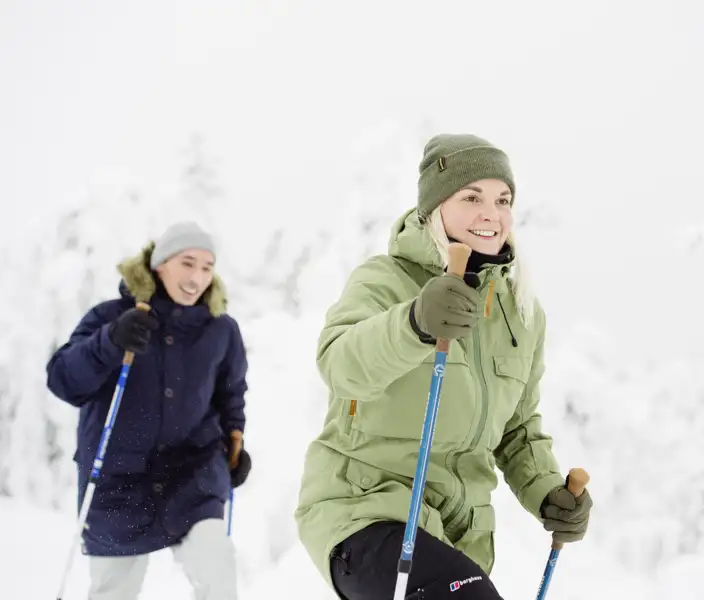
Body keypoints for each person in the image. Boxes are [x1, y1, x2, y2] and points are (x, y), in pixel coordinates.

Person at [294, 134, 593, 599]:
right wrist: (414, 322)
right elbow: (339, 363)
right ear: (435, 206)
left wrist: (547, 491)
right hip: (366, 512)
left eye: (502, 199)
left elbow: (517, 428)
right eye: (471, 197)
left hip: (460, 539)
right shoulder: (385, 280)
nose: (490, 213)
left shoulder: (520, 311)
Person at [46, 221, 251, 600]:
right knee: (114, 591)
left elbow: (231, 394)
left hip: (191, 474)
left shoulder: (221, 330)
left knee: (218, 569)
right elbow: (63, 380)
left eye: (207, 267)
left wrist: (235, 440)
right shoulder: (112, 317)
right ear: (159, 265)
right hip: (117, 481)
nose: (197, 277)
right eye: (187, 263)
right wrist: (109, 341)